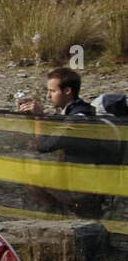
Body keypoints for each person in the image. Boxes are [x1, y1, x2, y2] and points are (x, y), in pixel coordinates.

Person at [17, 67, 105, 217]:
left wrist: (39, 117)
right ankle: (63, 215)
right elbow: (45, 137)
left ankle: (58, 218)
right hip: (85, 181)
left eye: (52, 91)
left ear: (67, 91)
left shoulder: (78, 119)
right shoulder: (76, 112)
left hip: (85, 190)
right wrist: (31, 116)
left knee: (31, 178)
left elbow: (43, 146)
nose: (48, 96)